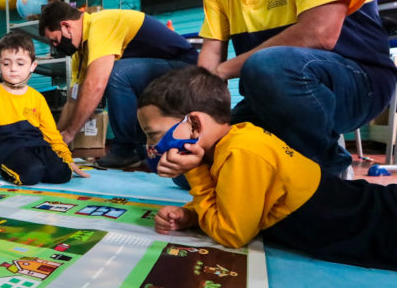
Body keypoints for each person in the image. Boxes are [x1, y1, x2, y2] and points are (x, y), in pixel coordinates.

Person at [188, 0, 397, 176]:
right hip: (273, 87)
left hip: (358, 82)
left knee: (267, 66)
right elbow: (210, 54)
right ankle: (286, 161)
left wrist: (222, 72)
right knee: (197, 163)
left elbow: (318, 33)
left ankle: (328, 172)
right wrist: (198, 124)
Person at [137, 66, 397, 271]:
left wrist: (194, 172)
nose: (152, 147)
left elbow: (231, 235)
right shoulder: (236, 140)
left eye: (153, 135)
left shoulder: (240, 152)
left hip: (376, 225)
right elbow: (232, 201)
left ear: (194, 124)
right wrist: (192, 216)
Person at [38, 1, 198, 168]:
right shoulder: (80, 54)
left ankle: (126, 150)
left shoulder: (101, 24)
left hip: (187, 68)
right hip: (159, 74)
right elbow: (73, 100)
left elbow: (96, 85)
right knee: (120, 76)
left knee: (116, 74)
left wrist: (71, 133)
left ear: (66, 26)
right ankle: (140, 149)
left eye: (55, 40)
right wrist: (56, 139)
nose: (56, 47)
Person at [0, 32, 89, 185]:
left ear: (33, 66)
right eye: (6, 64)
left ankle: (42, 167)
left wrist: (67, 158)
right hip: (9, 149)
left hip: (37, 146)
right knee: (31, 174)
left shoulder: (37, 98)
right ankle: (4, 169)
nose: (13, 69)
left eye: (20, 63)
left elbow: (51, 132)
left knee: (63, 174)